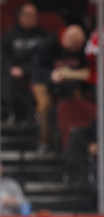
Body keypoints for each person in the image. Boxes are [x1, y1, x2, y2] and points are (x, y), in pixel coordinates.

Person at [31, 24, 90, 154]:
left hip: (68, 82)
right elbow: (36, 70)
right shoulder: (48, 45)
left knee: (79, 104)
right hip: (43, 81)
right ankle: (44, 142)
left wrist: (68, 74)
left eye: (79, 45)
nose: (76, 48)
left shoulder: (81, 50)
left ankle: (71, 143)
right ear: (66, 38)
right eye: (74, 44)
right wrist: (51, 75)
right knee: (45, 106)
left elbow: (86, 72)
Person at [2, 3, 47, 125]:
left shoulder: (42, 35)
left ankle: (33, 116)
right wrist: (12, 68)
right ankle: (13, 113)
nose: (30, 18)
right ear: (20, 16)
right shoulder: (10, 35)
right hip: (15, 71)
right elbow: (4, 56)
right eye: (27, 15)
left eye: (33, 15)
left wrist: (27, 70)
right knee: (9, 78)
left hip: (36, 71)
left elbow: (44, 58)